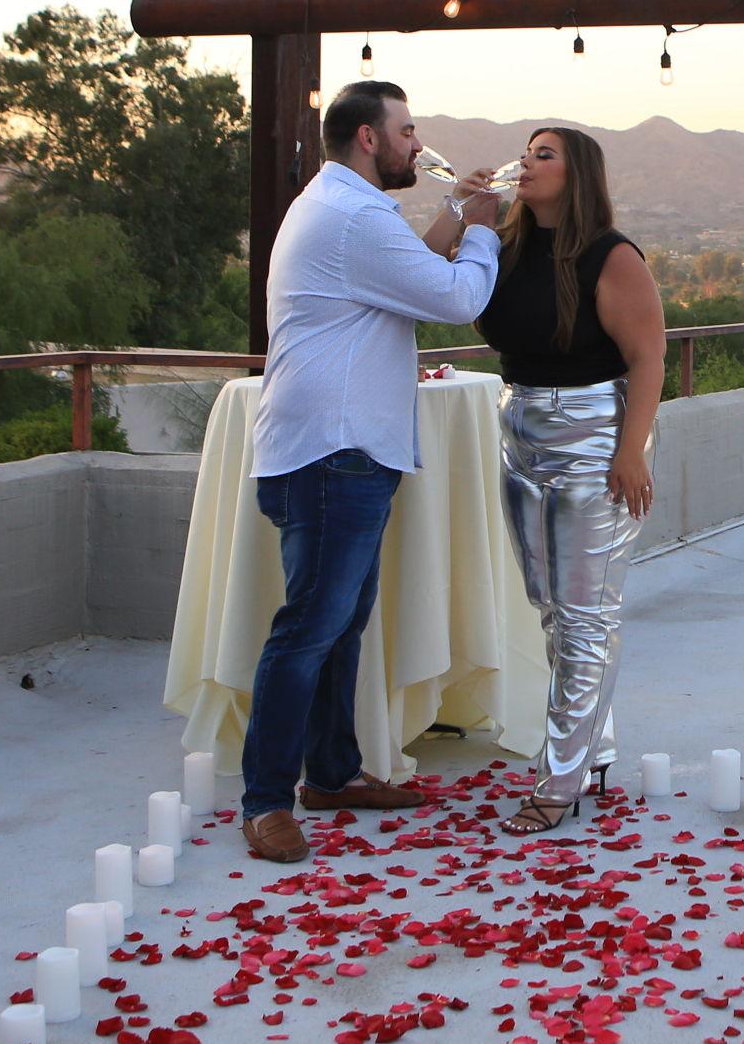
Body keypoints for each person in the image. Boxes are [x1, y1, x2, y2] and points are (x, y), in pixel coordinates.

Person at [240, 81, 504, 862]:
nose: (417, 143)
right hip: (335, 452)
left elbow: (408, 269)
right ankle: (265, 801)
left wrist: (455, 209)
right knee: (309, 630)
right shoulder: (357, 217)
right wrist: (483, 230)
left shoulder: (340, 206)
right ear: (368, 138)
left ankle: (331, 775)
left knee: (338, 625)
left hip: (333, 449)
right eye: (407, 130)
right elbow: (455, 298)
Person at [474, 125, 668, 834]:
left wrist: (631, 450)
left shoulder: (610, 256)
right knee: (551, 606)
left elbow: (648, 357)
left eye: (543, 154)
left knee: (586, 614)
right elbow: (427, 275)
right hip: (519, 429)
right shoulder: (503, 246)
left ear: (576, 173)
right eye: (526, 151)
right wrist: (466, 209)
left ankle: (559, 782)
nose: (526, 161)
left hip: (593, 436)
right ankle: (595, 748)